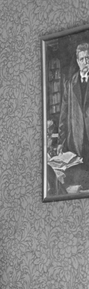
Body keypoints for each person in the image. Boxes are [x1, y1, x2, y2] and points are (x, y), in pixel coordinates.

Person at [57, 42, 89, 190]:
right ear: (77, 61)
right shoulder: (70, 84)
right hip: (76, 141)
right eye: (82, 59)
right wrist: (61, 142)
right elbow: (63, 115)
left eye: (88, 58)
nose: (85, 62)